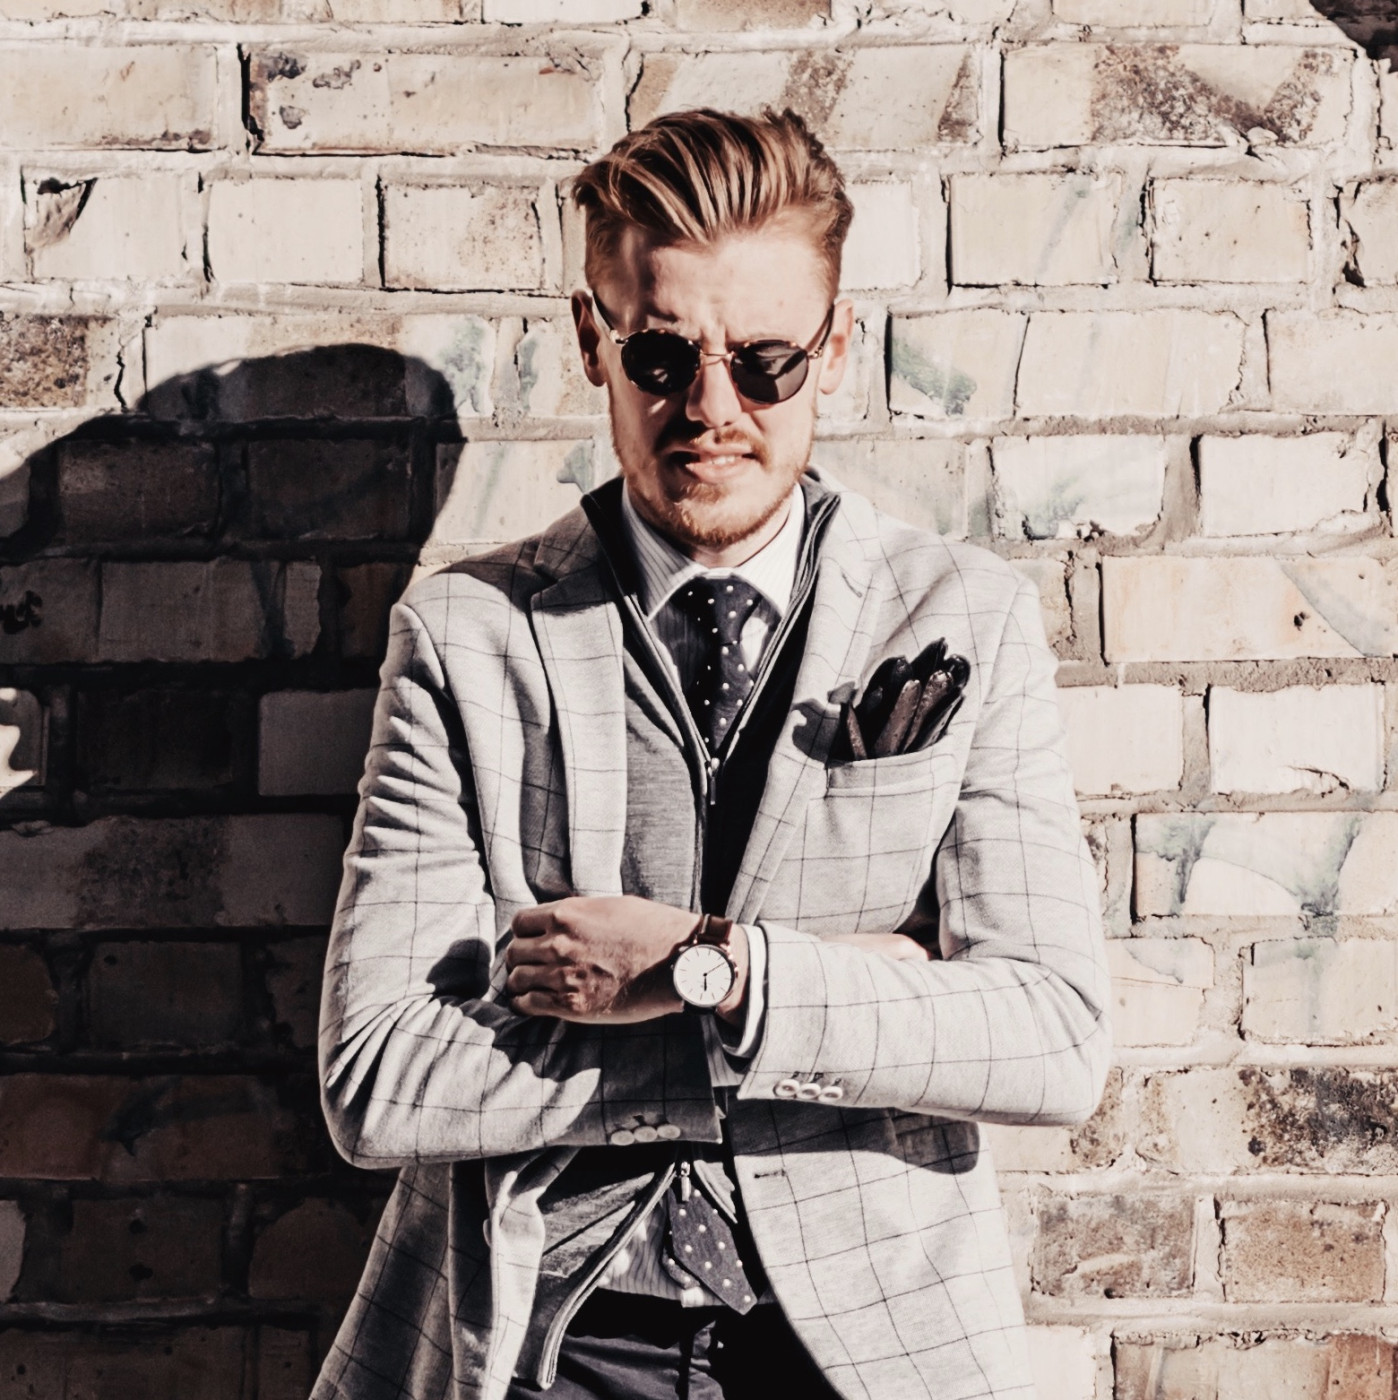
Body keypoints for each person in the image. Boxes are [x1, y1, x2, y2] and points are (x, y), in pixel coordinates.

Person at [313, 107, 1111, 1400]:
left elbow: (1050, 1039)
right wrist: (835, 1006)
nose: (711, 408)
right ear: (593, 340)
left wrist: (717, 972)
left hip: (862, 1351)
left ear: (836, 348)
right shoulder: (467, 639)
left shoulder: (964, 618)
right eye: (661, 354)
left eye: (766, 363)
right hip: (547, 1342)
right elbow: (380, 1078)